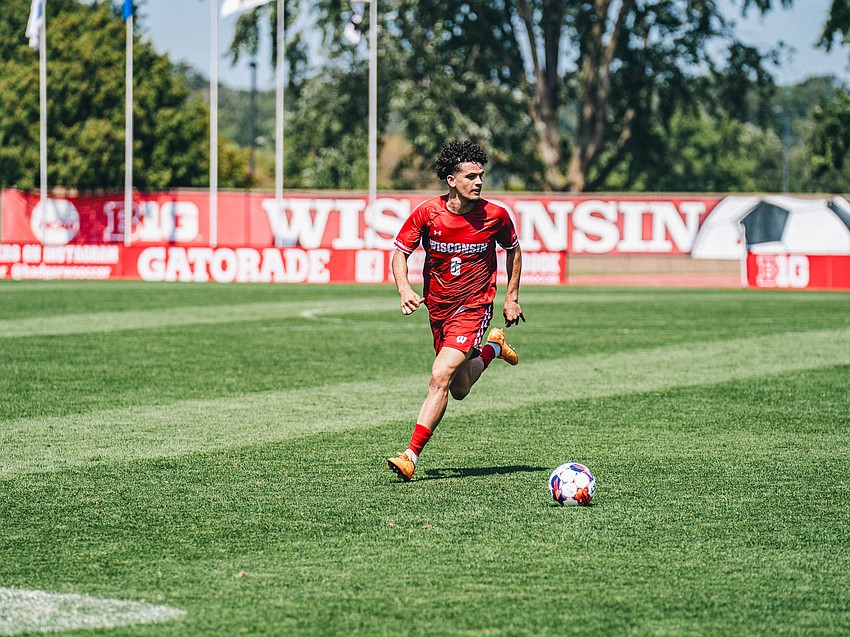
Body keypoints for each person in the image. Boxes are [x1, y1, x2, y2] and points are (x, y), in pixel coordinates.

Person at [387, 139, 525, 481]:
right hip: (438, 309)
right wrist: (404, 288)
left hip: (474, 306)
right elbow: (400, 253)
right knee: (460, 388)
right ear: (451, 179)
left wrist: (511, 297)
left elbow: (514, 249)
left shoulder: (495, 216)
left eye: (481, 176)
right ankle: (493, 348)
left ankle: (410, 456)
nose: (478, 182)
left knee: (440, 375)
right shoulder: (427, 213)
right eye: (470, 176)